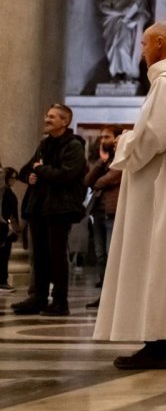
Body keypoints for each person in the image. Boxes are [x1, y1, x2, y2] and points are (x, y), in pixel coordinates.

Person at [94, 22, 166, 369]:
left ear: (160, 44)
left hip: (159, 189)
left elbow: (155, 135)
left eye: (144, 43)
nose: (141, 50)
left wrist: (124, 143)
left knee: (155, 259)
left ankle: (158, 343)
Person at [12, 105, 86, 316]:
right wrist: (30, 176)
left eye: (52, 117)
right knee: (40, 255)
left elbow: (66, 175)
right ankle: (39, 298)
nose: (47, 119)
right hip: (39, 207)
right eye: (47, 115)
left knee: (56, 255)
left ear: (65, 121)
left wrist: (40, 170)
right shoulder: (44, 144)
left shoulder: (74, 146)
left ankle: (60, 301)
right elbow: (25, 170)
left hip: (60, 207)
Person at [83, 127, 123, 308]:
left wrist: (99, 180)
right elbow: (87, 180)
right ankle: (104, 296)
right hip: (98, 212)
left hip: (113, 212)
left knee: (112, 254)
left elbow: (106, 180)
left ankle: (116, 296)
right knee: (100, 256)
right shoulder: (105, 161)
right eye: (100, 138)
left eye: (107, 137)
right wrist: (101, 161)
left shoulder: (122, 158)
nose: (103, 141)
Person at [98, 0, 151, 82]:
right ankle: (116, 75)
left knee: (123, 48)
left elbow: (143, 13)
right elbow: (104, 8)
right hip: (113, 26)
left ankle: (129, 74)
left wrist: (133, 19)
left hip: (128, 27)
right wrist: (120, 12)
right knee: (114, 48)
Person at [1, 169, 20, 291]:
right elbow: (6, 212)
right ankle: (2, 280)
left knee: (4, 254)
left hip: (6, 227)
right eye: (12, 178)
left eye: (15, 178)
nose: (14, 180)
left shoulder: (6, 192)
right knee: (3, 255)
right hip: (5, 228)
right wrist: (10, 225)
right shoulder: (6, 192)